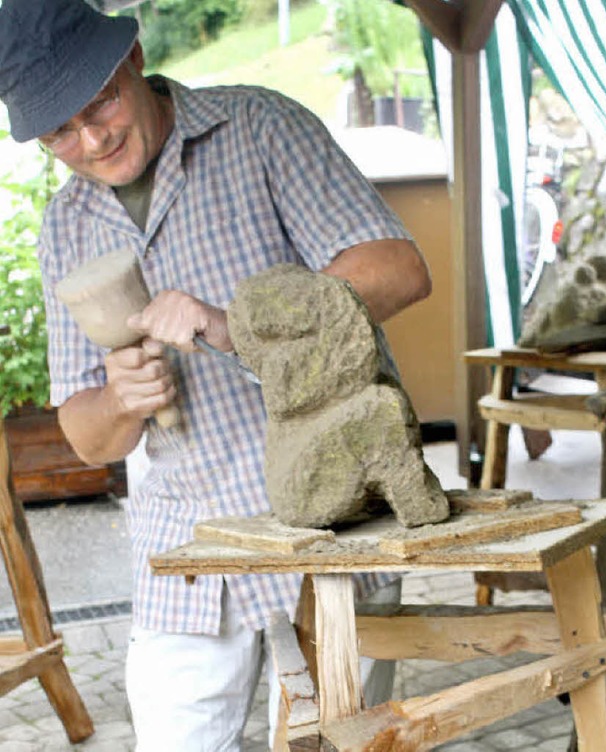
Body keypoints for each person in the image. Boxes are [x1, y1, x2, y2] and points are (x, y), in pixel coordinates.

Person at [0, 1, 434, 749]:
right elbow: (86, 434)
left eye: (99, 101)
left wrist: (239, 325)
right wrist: (121, 398)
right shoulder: (67, 224)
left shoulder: (261, 127)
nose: (92, 138)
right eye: (58, 131)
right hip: (186, 542)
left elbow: (398, 269)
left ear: (132, 58)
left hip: (329, 515)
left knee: (336, 743)